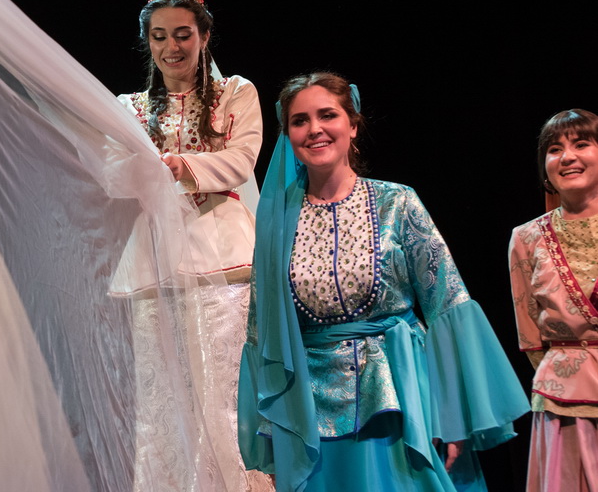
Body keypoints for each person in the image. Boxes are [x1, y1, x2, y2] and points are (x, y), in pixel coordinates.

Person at [239, 72, 528, 492]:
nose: (315, 129)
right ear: (288, 135)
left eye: (327, 115)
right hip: (309, 418)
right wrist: (268, 429)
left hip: (399, 399)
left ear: (353, 125)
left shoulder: (398, 202)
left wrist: (454, 416)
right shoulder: (277, 222)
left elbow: (447, 301)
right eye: (300, 120)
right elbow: (261, 329)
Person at [117, 0, 271, 491]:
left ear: (204, 36)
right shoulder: (129, 107)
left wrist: (180, 167)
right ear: (148, 41)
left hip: (223, 253)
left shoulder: (236, 94)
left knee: (221, 396)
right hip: (154, 258)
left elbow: (241, 161)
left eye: (183, 34)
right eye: (159, 36)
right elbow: (110, 171)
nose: (172, 47)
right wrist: (142, 171)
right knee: (161, 399)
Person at [510, 109, 598, 491]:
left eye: (582, 144)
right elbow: (529, 333)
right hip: (564, 401)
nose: (567, 157)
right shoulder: (527, 238)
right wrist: (566, 376)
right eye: (555, 149)